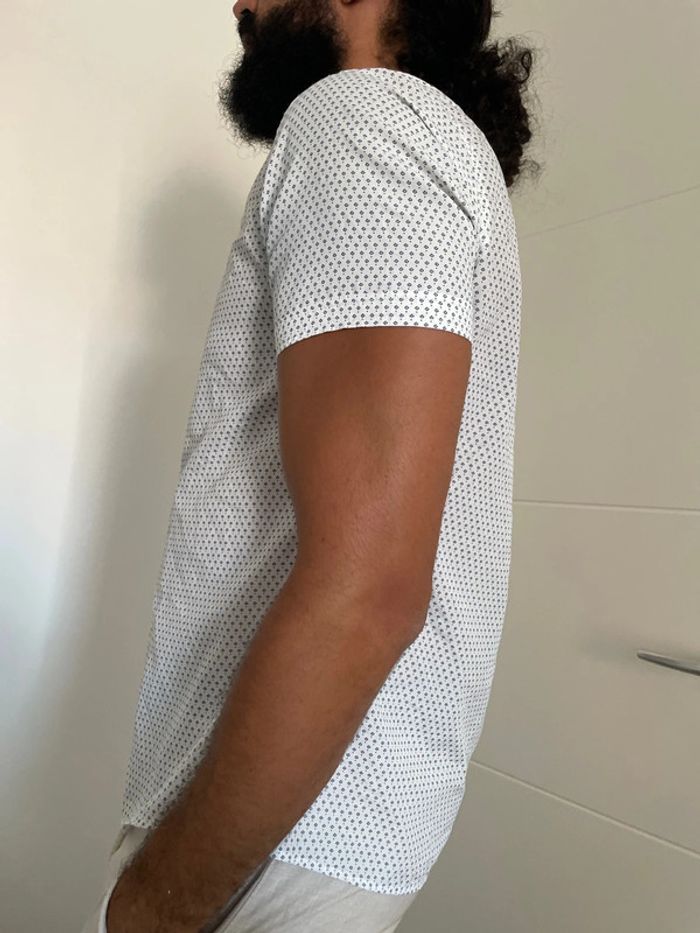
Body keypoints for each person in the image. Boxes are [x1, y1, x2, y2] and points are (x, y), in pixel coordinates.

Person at [80, 0, 538, 930]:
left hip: (273, 840)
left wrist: (155, 905)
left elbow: (367, 591)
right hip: (330, 821)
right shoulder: (425, 141)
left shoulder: (359, 119)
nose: (239, 3)